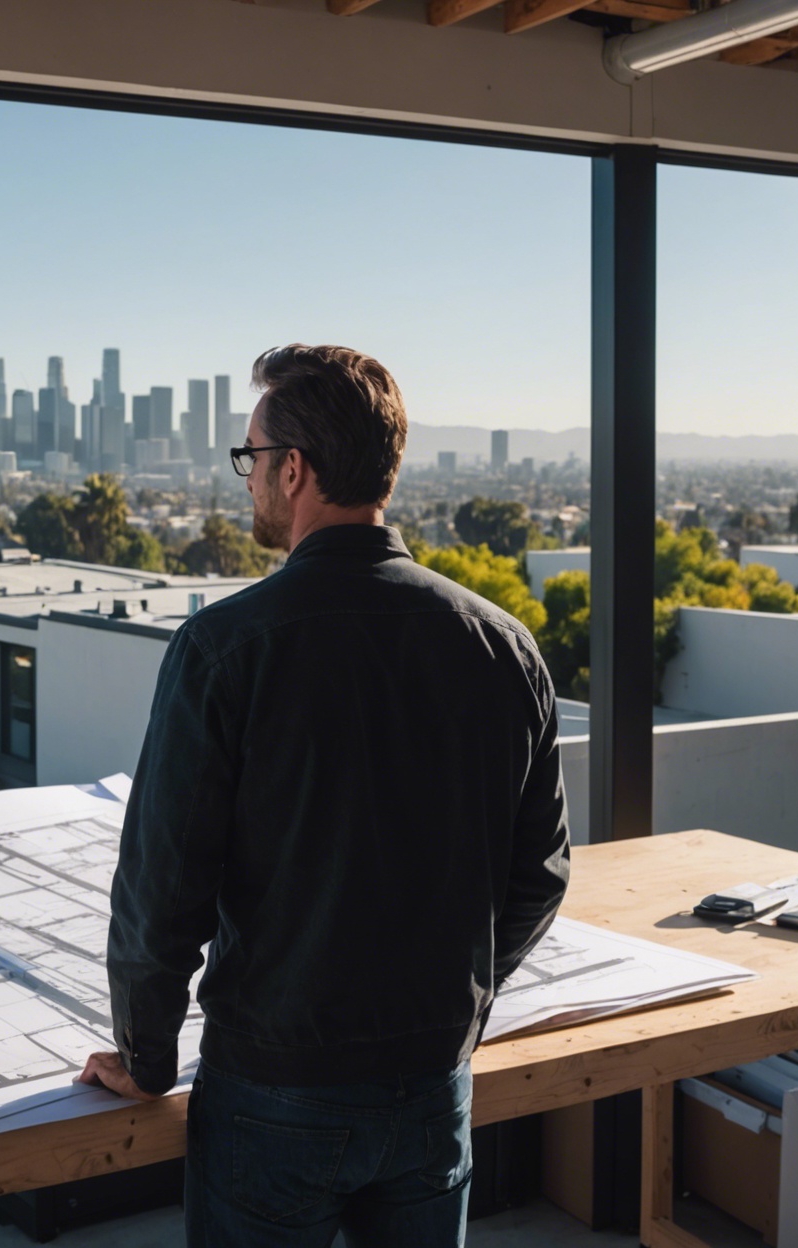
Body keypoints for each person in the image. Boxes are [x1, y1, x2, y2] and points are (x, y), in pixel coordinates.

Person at [78, 344, 571, 1246]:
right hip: (432, 1089)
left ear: (294, 469)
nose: (249, 481)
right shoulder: (504, 649)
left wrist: (147, 1063)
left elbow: (161, 894)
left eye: (252, 459)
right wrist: (452, 1006)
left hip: (273, 1093)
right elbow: (539, 875)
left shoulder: (227, 649)